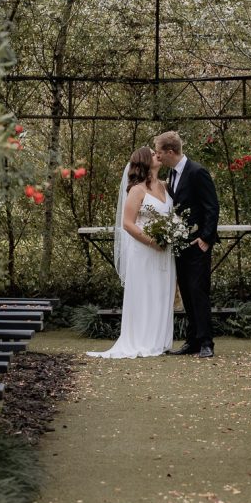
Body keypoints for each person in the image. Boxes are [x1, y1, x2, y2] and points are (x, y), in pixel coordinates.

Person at [86, 145, 175, 359]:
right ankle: (142, 340)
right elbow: (127, 224)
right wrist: (153, 242)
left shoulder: (165, 186)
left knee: (163, 292)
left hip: (165, 251)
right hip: (144, 250)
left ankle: (159, 341)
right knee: (145, 293)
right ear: (145, 161)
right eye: (153, 154)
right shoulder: (136, 190)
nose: (158, 155)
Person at [154, 130, 219, 358]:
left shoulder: (197, 171)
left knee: (198, 292)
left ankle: (206, 343)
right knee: (187, 294)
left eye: (160, 152)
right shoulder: (172, 175)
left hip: (197, 244)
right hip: (179, 244)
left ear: (170, 152)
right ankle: (192, 341)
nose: (157, 156)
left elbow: (212, 207)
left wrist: (205, 238)